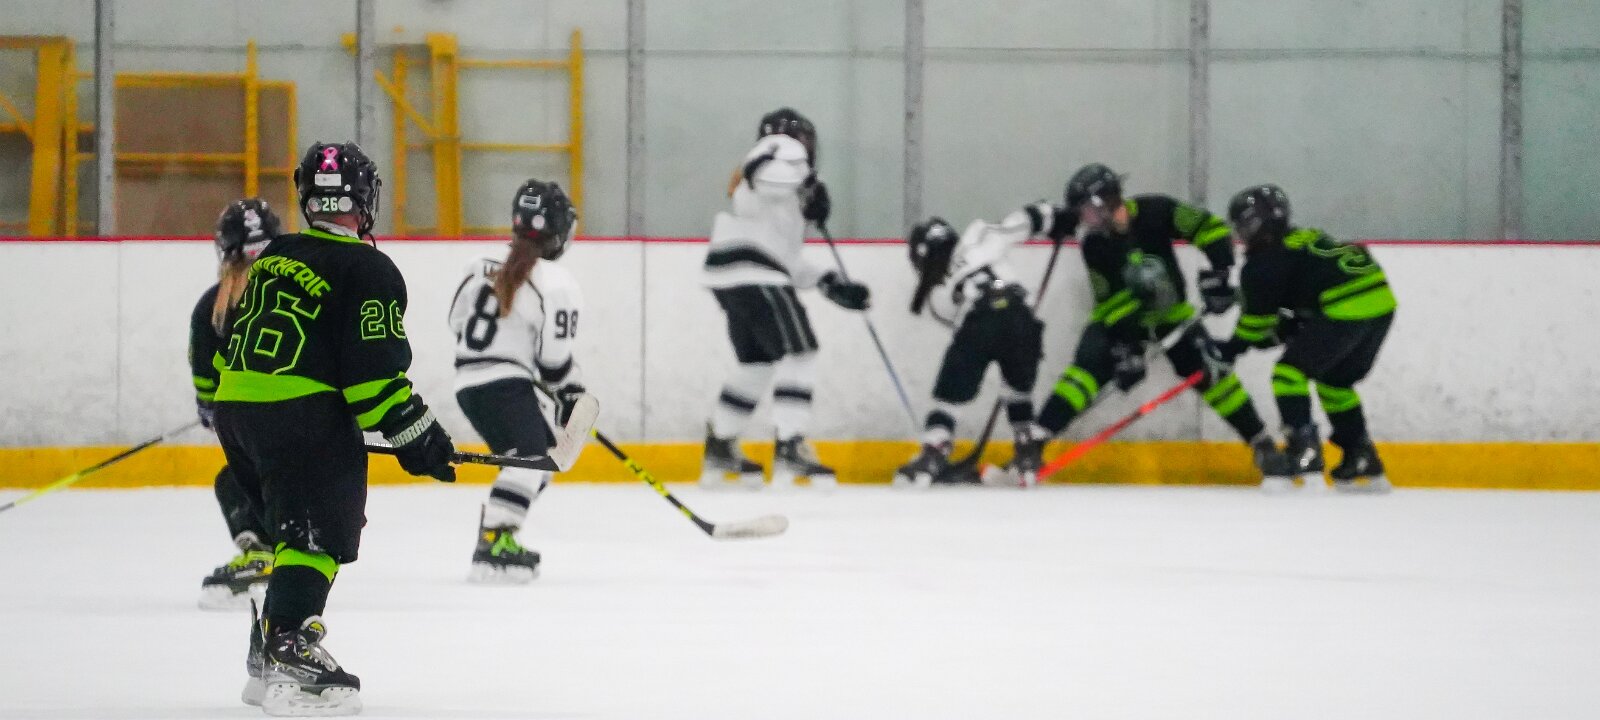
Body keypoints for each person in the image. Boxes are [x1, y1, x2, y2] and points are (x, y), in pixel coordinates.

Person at [213, 141, 456, 715]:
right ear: (366, 200)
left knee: (294, 529)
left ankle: (269, 647)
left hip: (235, 409)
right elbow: (372, 382)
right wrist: (420, 438)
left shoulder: (276, 254)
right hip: (298, 412)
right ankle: (289, 648)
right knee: (320, 529)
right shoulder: (369, 268)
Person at [999, 163, 1277, 483]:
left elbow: (1209, 228)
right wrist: (1124, 347)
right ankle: (1035, 442)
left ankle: (1262, 443)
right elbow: (1112, 301)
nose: (1084, 219)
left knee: (1209, 370)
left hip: (1171, 316)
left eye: (1087, 210)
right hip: (1122, 318)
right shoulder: (1094, 243)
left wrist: (1221, 272)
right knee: (1086, 368)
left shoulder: (1156, 210)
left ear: (1107, 201)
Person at [698, 107, 869, 490]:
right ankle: (790, 446)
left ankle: (720, 446)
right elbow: (764, 165)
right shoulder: (779, 155)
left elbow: (785, 258)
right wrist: (807, 181)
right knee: (800, 353)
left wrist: (829, 282)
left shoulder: (778, 198)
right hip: (756, 272)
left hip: (732, 274)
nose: (803, 148)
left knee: (756, 364)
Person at [447, 179, 586, 583]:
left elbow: (456, 322)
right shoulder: (555, 281)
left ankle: (497, 526)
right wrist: (571, 394)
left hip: (469, 384)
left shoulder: (478, 264)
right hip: (504, 385)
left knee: (543, 460)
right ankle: (494, 541)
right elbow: (554, 364)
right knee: (531, 458)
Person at [1220, 184, 1397, 493]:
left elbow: (1255, 327)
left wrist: (1229, 349)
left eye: (1242, 226)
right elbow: (1303, 296)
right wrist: (1285, 329)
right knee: (1334, 381)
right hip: (1380, 304)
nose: (1241, 234)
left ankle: (1304, 454)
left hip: (1346, 307)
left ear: (1256, 224)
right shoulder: (1303, 238)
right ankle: (1361, 457)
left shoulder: (1262, 264)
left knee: (1288, 373)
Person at [893, 217, 1045, 487]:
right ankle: (1026, 451)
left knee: (948, 398)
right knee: (1017, 391)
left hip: (978, 320)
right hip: (1022, 319)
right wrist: (1052, 217)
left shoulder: (937, 297)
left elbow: (963, 328)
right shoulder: (978, 234)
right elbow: (1022, 221)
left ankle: (934, 451)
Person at [194, 198, 280, 610]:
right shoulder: (304, 294)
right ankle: (287, 550)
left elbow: (206, 384)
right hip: (311, 426)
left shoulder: (212, 309)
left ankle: (262, 551)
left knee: (233, 481)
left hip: (254, 425)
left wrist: (209, 407)